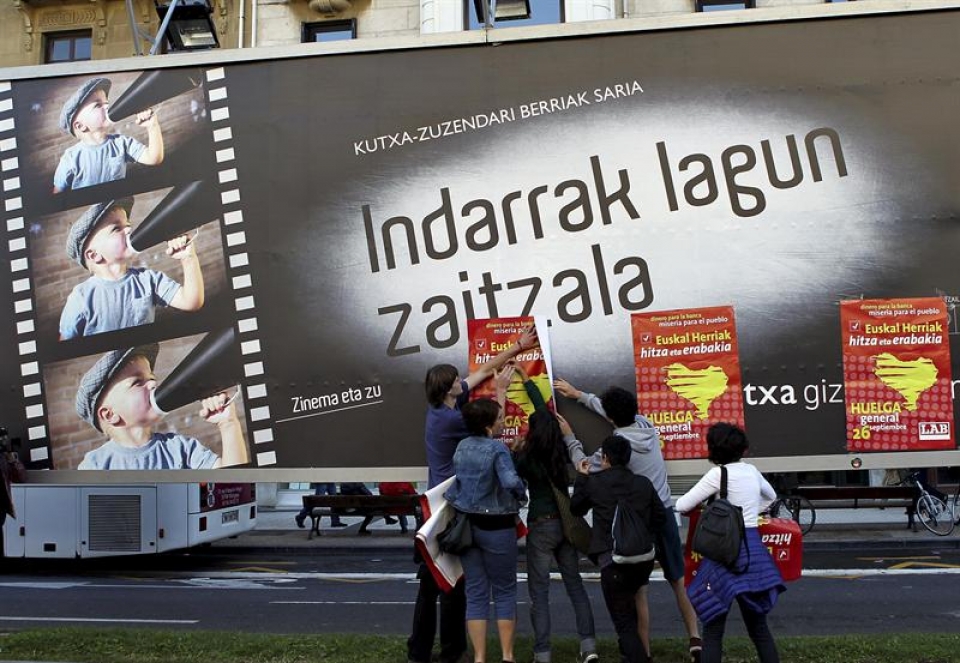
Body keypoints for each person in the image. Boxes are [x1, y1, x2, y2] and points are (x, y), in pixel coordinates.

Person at [407, 325, 537, 663]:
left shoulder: (441, 408)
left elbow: (480, 371)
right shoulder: (452, 422)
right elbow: (493, 427)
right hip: (450, 506)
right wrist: (502, 393)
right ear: (447, 389)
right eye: (455, 380)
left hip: (447, 502)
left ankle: (431, 651)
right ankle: (444, 651)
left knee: (439, 581)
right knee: (447, 582)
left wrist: (517, 346)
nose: (460, 381)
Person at [555, 379, 702, 662]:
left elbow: (582, 464)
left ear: (610, 418)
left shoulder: (614, 449)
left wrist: (569, 436)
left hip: (637, 523)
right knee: (678, 579)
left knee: (639, 590)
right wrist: (582, 396)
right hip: (665, 514)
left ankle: (643, 652)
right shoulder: (648, 427)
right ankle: (695, 637)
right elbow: (611, 411)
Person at [675, 423, 786, 663]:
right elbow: (772, 496)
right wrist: (750, 513)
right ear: (742, 449)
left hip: (723, 555)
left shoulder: (717, 475)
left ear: (714, 449)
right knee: (759, 628)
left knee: (713, 629)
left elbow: (682, 505)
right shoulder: (752, 471)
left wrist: (715, 511)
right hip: (754, 553)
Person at [444, 399, 527, 663]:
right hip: (498, 527)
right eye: (500, 419)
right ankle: (507, 655)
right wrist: (521, 493)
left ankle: (479, 657)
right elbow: (509, 481)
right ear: (489, 426)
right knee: (504, 589)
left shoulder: (462, 447)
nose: (504, 422)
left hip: (468, 526)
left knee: (476, 592)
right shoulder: (496, 449)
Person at [75, 343, 248, 469]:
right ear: (109, 414)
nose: (152, 385)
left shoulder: (180, 448)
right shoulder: (95, 465)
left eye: (152, 378)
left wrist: (228, 423)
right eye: (137, 382)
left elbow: (232, 486)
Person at [513, 408, 598, 663]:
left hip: (540, 524)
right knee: (576, 587)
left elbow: (513, 475)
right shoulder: (561, 453)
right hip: (565, 523)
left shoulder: (527, 456)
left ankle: (542, 653)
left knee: (539, 592)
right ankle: (589, 647)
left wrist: (516, 450)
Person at [570, 435, 665, 663]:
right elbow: (660, 517)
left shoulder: (596, 483)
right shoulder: (642, 484)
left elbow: (576, 508)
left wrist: (582, 477)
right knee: (632, 612)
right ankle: (632, 656)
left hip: (612, 561)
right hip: (642, 560)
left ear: (605, 458)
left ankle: (637, 658)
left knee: (623, 621)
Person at [59, 197, 205, 340]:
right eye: (117, 228)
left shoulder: (149, 279)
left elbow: (191, 302)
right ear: (94, 255)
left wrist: (188, 258)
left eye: (128, 224)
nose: (129, 229)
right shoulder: (81, 297)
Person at [54, 77, 164, 193]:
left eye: (107, 103)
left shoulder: (122, 143)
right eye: (98, 105)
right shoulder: (71, 157)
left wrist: (152, 126)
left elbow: (154, 158)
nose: (107, 107)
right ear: (80, 126)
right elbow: (57, 192)